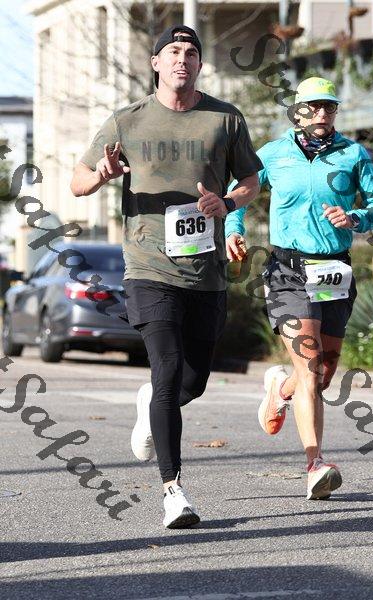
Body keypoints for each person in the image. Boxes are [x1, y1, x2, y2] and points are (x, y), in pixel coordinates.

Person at [70, 25, 262, 527]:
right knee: (168, 368)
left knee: (192, 382)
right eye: (173, 51)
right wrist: (104, 175)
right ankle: (173, 490)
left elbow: (251, 180)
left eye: (191, 52)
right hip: (148, 267)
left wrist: (227, 203)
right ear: (156, 62)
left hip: (206, 272)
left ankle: (150, 405)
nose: (183, 59)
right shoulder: (127, 120)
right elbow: (77, 182)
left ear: (199, 64)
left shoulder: (225, 119)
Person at [225, 77, 373, 500]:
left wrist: (354, 218)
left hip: (335, 268)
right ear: (297, 111)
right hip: (288, 269)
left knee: (324, 374)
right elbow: (238, 192)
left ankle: (279, 391)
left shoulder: (354, 154)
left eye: (329, 107)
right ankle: (315, 464)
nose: (322, 113)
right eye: (313, 106)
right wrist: (232, 229)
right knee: (311, 368)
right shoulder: (273, 153)